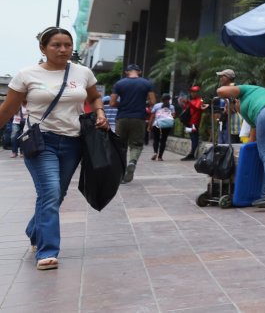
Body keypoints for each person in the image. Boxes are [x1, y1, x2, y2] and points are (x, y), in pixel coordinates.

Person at [0, 27, 108, 270]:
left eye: (67, 45)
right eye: (56, 45)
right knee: (49, 192)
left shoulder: (82, 72)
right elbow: (7, 109)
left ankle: (34, 228)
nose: (62, 49)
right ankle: (47, 251)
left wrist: (100, 111)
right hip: (41, 142)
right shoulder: (26, 75)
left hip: (73, 142)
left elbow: (94, 97)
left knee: (57, 194)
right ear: (43, 48)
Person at [215, 79, 265, 207]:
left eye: (234, 108)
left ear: (236, 101)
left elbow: (220, 90)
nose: (237, 111)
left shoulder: (245, 91)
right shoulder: (251, 107)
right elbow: (253, 138)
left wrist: (229, 94)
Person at [110, 63, 156, 183]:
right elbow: (153, 102)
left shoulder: (119, 84)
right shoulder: (146, 83)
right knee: (136, 144)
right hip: (139, 118)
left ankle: (120, 174)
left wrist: (123, 105)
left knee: (121, 146)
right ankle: (132, 162)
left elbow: (112, 103)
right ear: (139, 72)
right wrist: (142, 104)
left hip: (122, 118)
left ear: (126, 72)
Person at [179, 86, 206, 161]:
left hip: (195, 122)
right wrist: (183, 103)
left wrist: (188, 102)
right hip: (189, 122)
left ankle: (192, 154)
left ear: (197, 93)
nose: (192, 93)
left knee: (194, 137)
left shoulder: (200, 100)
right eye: (192, 92)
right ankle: (192, 153)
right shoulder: (192, 100)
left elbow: (196, 108)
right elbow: (187, 109)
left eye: (194, 92)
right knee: (192, 137)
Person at [150, 94, 174, 161]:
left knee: (156, 139)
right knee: (163, 140)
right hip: (167, 125)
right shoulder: (171, 107)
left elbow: (152, 116)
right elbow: (173, 116)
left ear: (161, 99)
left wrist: (149, 125)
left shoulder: (156, 106)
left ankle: (155, 152)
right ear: (169, 99)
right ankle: (160, 157)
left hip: (157, 124)